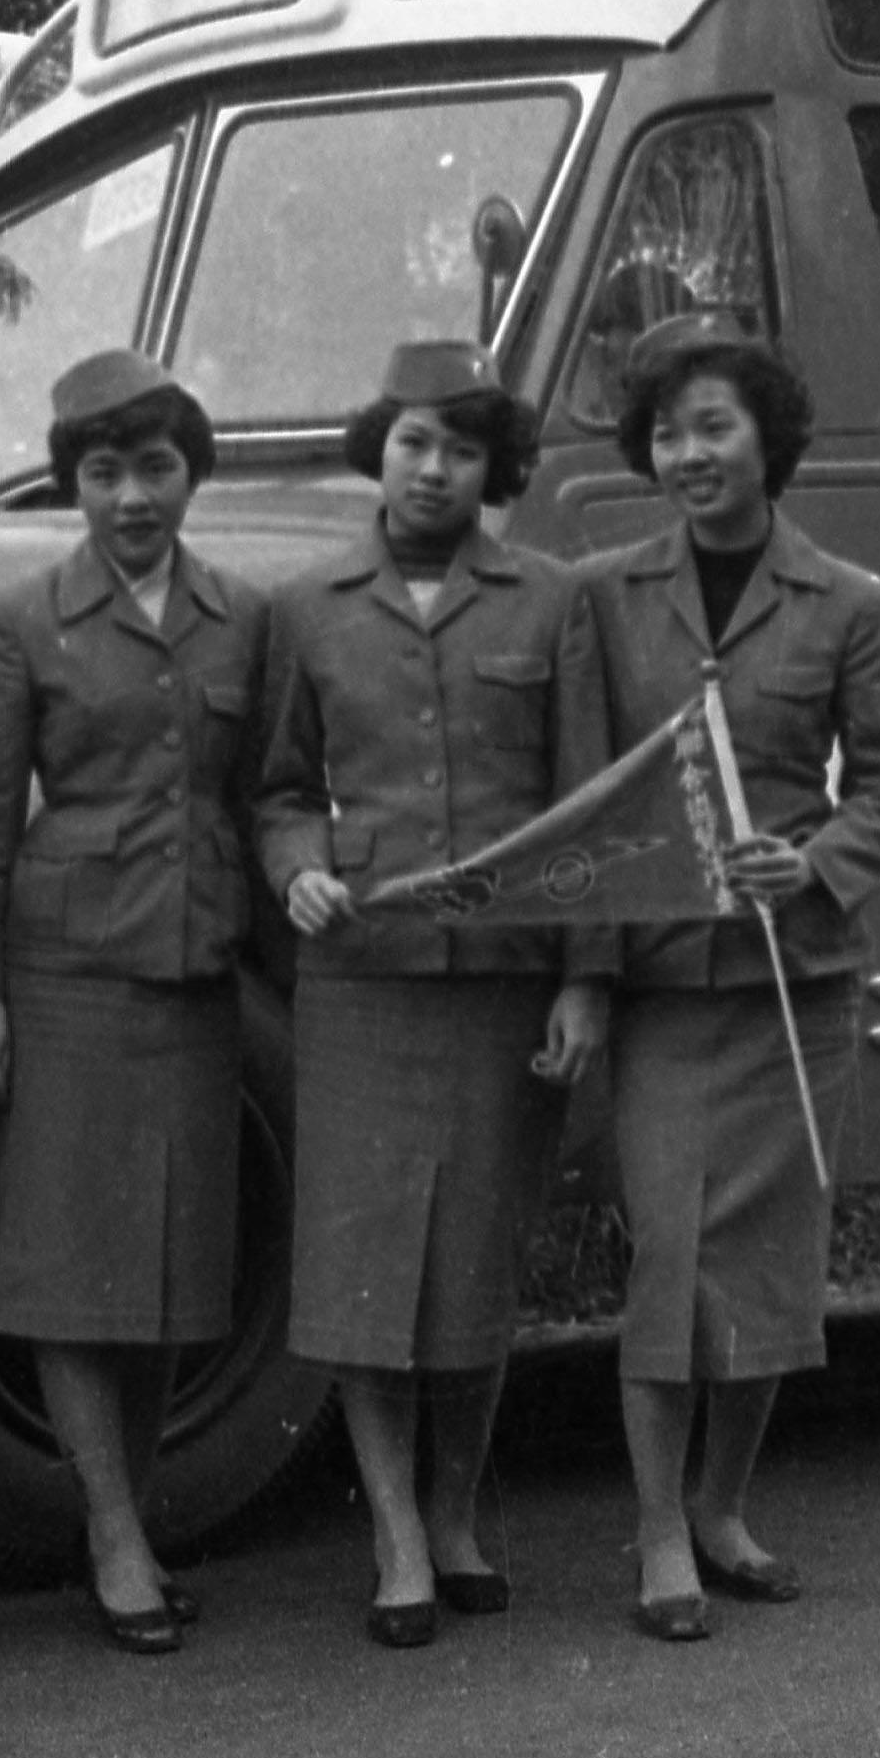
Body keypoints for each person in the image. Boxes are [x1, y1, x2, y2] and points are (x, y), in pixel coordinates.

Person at [257, 342, 616, 1647]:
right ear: (380, 446)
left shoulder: (551, 600)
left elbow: (588, 809)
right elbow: (281, 790)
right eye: (414, 441)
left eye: (462, 449)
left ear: (491, 469)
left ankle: (455, 1510)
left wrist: (587, 977)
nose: (434, 468)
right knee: (362, 1268)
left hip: (503, 989)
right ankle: (394, 1533)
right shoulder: (305, 607)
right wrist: (296, 867)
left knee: (473, 1259)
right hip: (362, 984)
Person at [574, 314, 880, 1642]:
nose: (688, 452)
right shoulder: (607, 595)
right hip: (666, 982)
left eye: (713, 425)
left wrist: (820, 857)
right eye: (667, 431)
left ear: (767, 439)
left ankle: (722, 1507)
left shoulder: (849, 599)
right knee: (669, 1251)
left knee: (771, 1262)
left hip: (798, 977)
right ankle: (659, 1529)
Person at [0, 350, 264, 1651]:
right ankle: (118, 1530)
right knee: (76, 1268)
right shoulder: (20, 621)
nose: (132, 496)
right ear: (72, 481)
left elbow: (266, 792)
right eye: (103, 470)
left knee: (173, 1266)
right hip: (66, 975)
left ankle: (121, 1509)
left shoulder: (246, 615)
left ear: (191, 472)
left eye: (155, 467)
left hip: (195, 971)